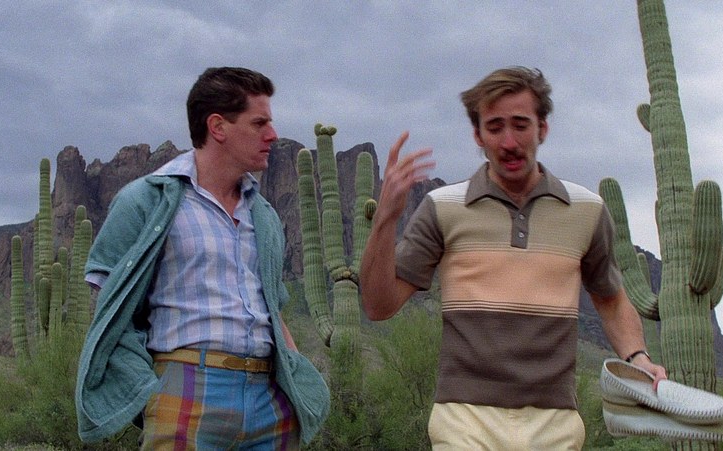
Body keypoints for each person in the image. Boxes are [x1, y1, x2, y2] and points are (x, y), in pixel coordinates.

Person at [360, 66, 668, 450]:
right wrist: (386, 218)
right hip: (464, 421)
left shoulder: (587, 210)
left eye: (521, 125)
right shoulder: (443, 207)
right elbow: (378, 305)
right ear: (478, 135)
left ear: (543, 128)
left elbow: (611, 300)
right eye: (495, 128)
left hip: (555, 423)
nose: (508, 142)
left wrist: (638, 359)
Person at [75, 67, 330, 450]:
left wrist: (300, 379)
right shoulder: (145, 200)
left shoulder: (263, 215)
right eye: (259, 123)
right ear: (218, 126)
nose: (272, 134)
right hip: (186, 387)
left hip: (270, 397)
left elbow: (273, 308)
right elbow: (109, 304)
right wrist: (148, 386)